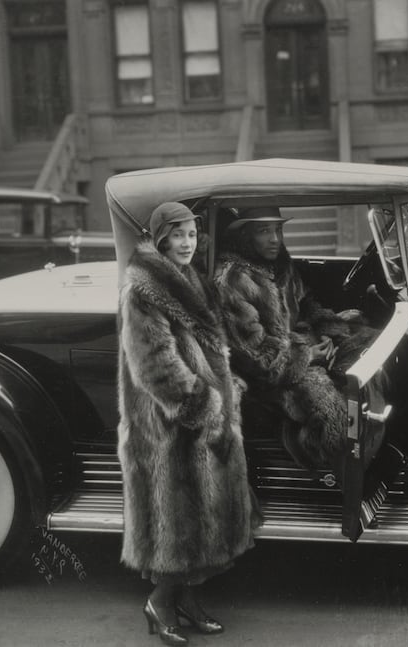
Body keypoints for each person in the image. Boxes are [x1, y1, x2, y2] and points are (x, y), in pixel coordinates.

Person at [117, 201, 261, 646]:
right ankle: (159, 603)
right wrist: (207, 409)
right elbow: (156, 366)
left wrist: (225, 383)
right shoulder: (144, 288)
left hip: (199, 419)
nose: (187, 243)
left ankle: (186, 601)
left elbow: (205, 348)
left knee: (201, 523)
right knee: (175, 526)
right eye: (178, 235)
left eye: (192, 235)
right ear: (160, 238)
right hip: (167, 427)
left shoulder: (188, 277)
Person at [213, 206, 375, 470]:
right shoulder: (232, 280)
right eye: (264, 231)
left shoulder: (279, 264)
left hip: (299, 348)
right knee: (335, 414)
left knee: (368, 343)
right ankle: (310, 454)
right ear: (245, 235)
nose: (275, 238)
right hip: (266, 377)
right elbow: (255, 356)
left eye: (278, 229)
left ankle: (369, 450)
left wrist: (331, 333)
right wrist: (308, 355)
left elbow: (307, 304)